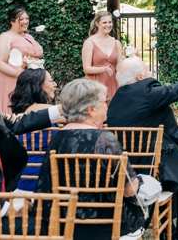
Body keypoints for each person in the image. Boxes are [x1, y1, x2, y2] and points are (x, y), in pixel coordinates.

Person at [108, 50, 178, 240]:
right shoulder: (147, 91)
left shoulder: (117, 97)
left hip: (127, 168)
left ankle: (167, 228)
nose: (152, 73)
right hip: (151, 165)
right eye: (148, 69)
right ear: (140, 77)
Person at [33, 79, 142, 239]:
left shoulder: (57, 138)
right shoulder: (105, 139)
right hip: (102, 226)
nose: (107, 105)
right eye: (105, 101)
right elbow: (130, 190)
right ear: (91, 110)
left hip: (59, 225)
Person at [0, 55, 63, 232]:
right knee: (49, 227)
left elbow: (16, 123)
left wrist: (62, 109)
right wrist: (6, 208)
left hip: (7, 193)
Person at [9, 66, 63, 192]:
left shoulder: (20, 113)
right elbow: (77, 116)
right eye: (51, 81)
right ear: (37, 86)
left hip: (21, 176)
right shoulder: (44, 111)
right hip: (42, 178)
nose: (55, 84)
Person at [0, 7, 44, 111]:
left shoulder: (29, 37)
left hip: (32, 80)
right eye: (21, 19)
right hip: (14, 80)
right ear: (12, 21)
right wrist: (22, 75)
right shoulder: (5, 37)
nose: (25, 22)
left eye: (27, 18)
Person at [82, 10, 122, 100]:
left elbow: (118, 67)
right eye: (104, 22)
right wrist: (103, 69)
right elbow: (86, 69)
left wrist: (131, 60)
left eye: (110, 22)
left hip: (113, 83)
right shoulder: (89, 42)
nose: (108, 25)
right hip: (95, 84)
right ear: (97, 23)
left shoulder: (117, 43)